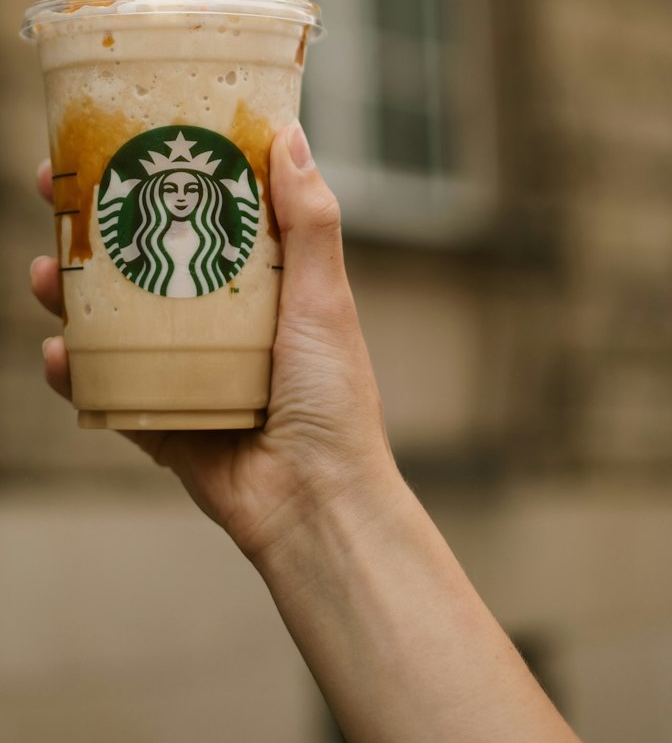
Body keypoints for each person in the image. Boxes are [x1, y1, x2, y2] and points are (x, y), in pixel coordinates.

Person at [31, 121, 582, 743]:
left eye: (194, 187)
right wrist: (316, 500)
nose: (183, 197)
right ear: (151, 197)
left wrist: (319, 493)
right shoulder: (150, 243)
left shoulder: (215, 242)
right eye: (169, 188)